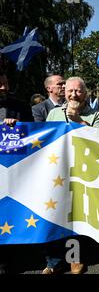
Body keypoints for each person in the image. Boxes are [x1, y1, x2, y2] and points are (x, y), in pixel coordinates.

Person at [44, 76, 99, 274]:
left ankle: (74, 259)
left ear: (85, 94)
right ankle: (53, 262)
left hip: (82, 174)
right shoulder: (53, 114)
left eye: (78, 91)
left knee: (75, 218)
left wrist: (78, 120)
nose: (73, 94)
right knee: (53, 215)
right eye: (70, 90)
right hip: (56, 173)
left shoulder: (97, 115)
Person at [0, 72, 33, 274]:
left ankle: (5, 261)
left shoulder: (20, 105)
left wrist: (17, 128)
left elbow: (33, 132)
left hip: (12, 170)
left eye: (5, 83)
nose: (3, 87)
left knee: (7, 214)